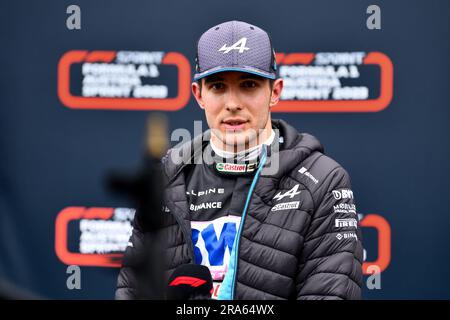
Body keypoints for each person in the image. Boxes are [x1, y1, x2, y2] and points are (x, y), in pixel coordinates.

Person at [115, 20, 363, 300]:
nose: (232, 103)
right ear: (199, 95)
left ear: (275, 92)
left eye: (248, 85)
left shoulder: (323, 180)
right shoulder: (166, 177)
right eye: (218, 86)